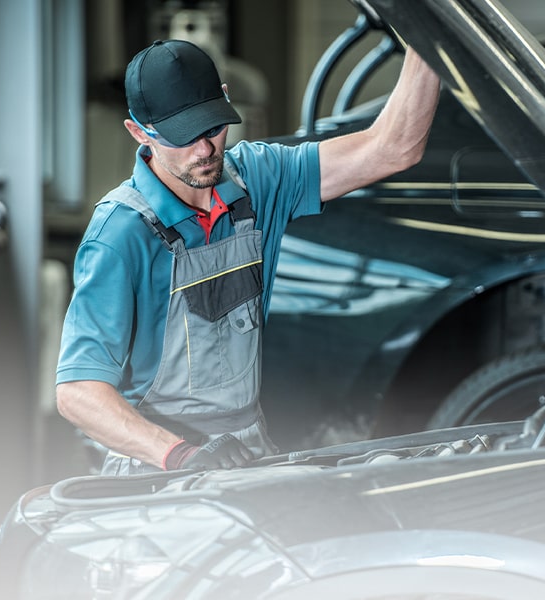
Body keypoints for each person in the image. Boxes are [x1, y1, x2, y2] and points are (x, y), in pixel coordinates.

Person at [55, 38, 439, 475]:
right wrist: (180, 455)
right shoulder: (120, 234)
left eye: (213, 127)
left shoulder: (258, 179)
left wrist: (430, 35)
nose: (205, 150)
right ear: (139, 132)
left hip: (247, 453)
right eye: (183, 137)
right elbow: (78, 391)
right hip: (159, 469)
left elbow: (394, 147)